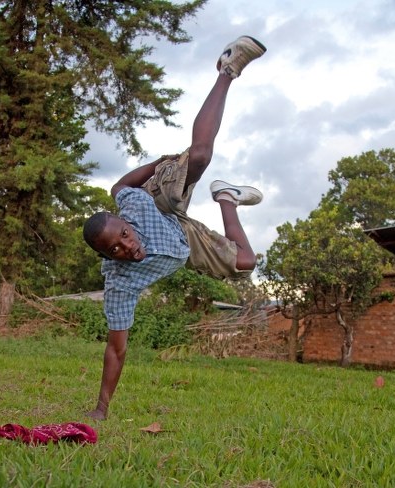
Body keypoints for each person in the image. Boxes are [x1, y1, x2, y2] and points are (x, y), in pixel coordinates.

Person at [81, 36, 267, 421]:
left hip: (160, 205)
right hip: (184, 242)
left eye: (124, 236)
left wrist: (156, 164)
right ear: (106, 258)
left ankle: (227, 69)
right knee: (246, 262)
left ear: (126, 225)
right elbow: (116, 349)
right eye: (114, 250)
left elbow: (118, 187)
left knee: (198, 155)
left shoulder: (132, 206)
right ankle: (226, 198)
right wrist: (101, 409)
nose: (126, 248)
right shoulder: (120, 284)